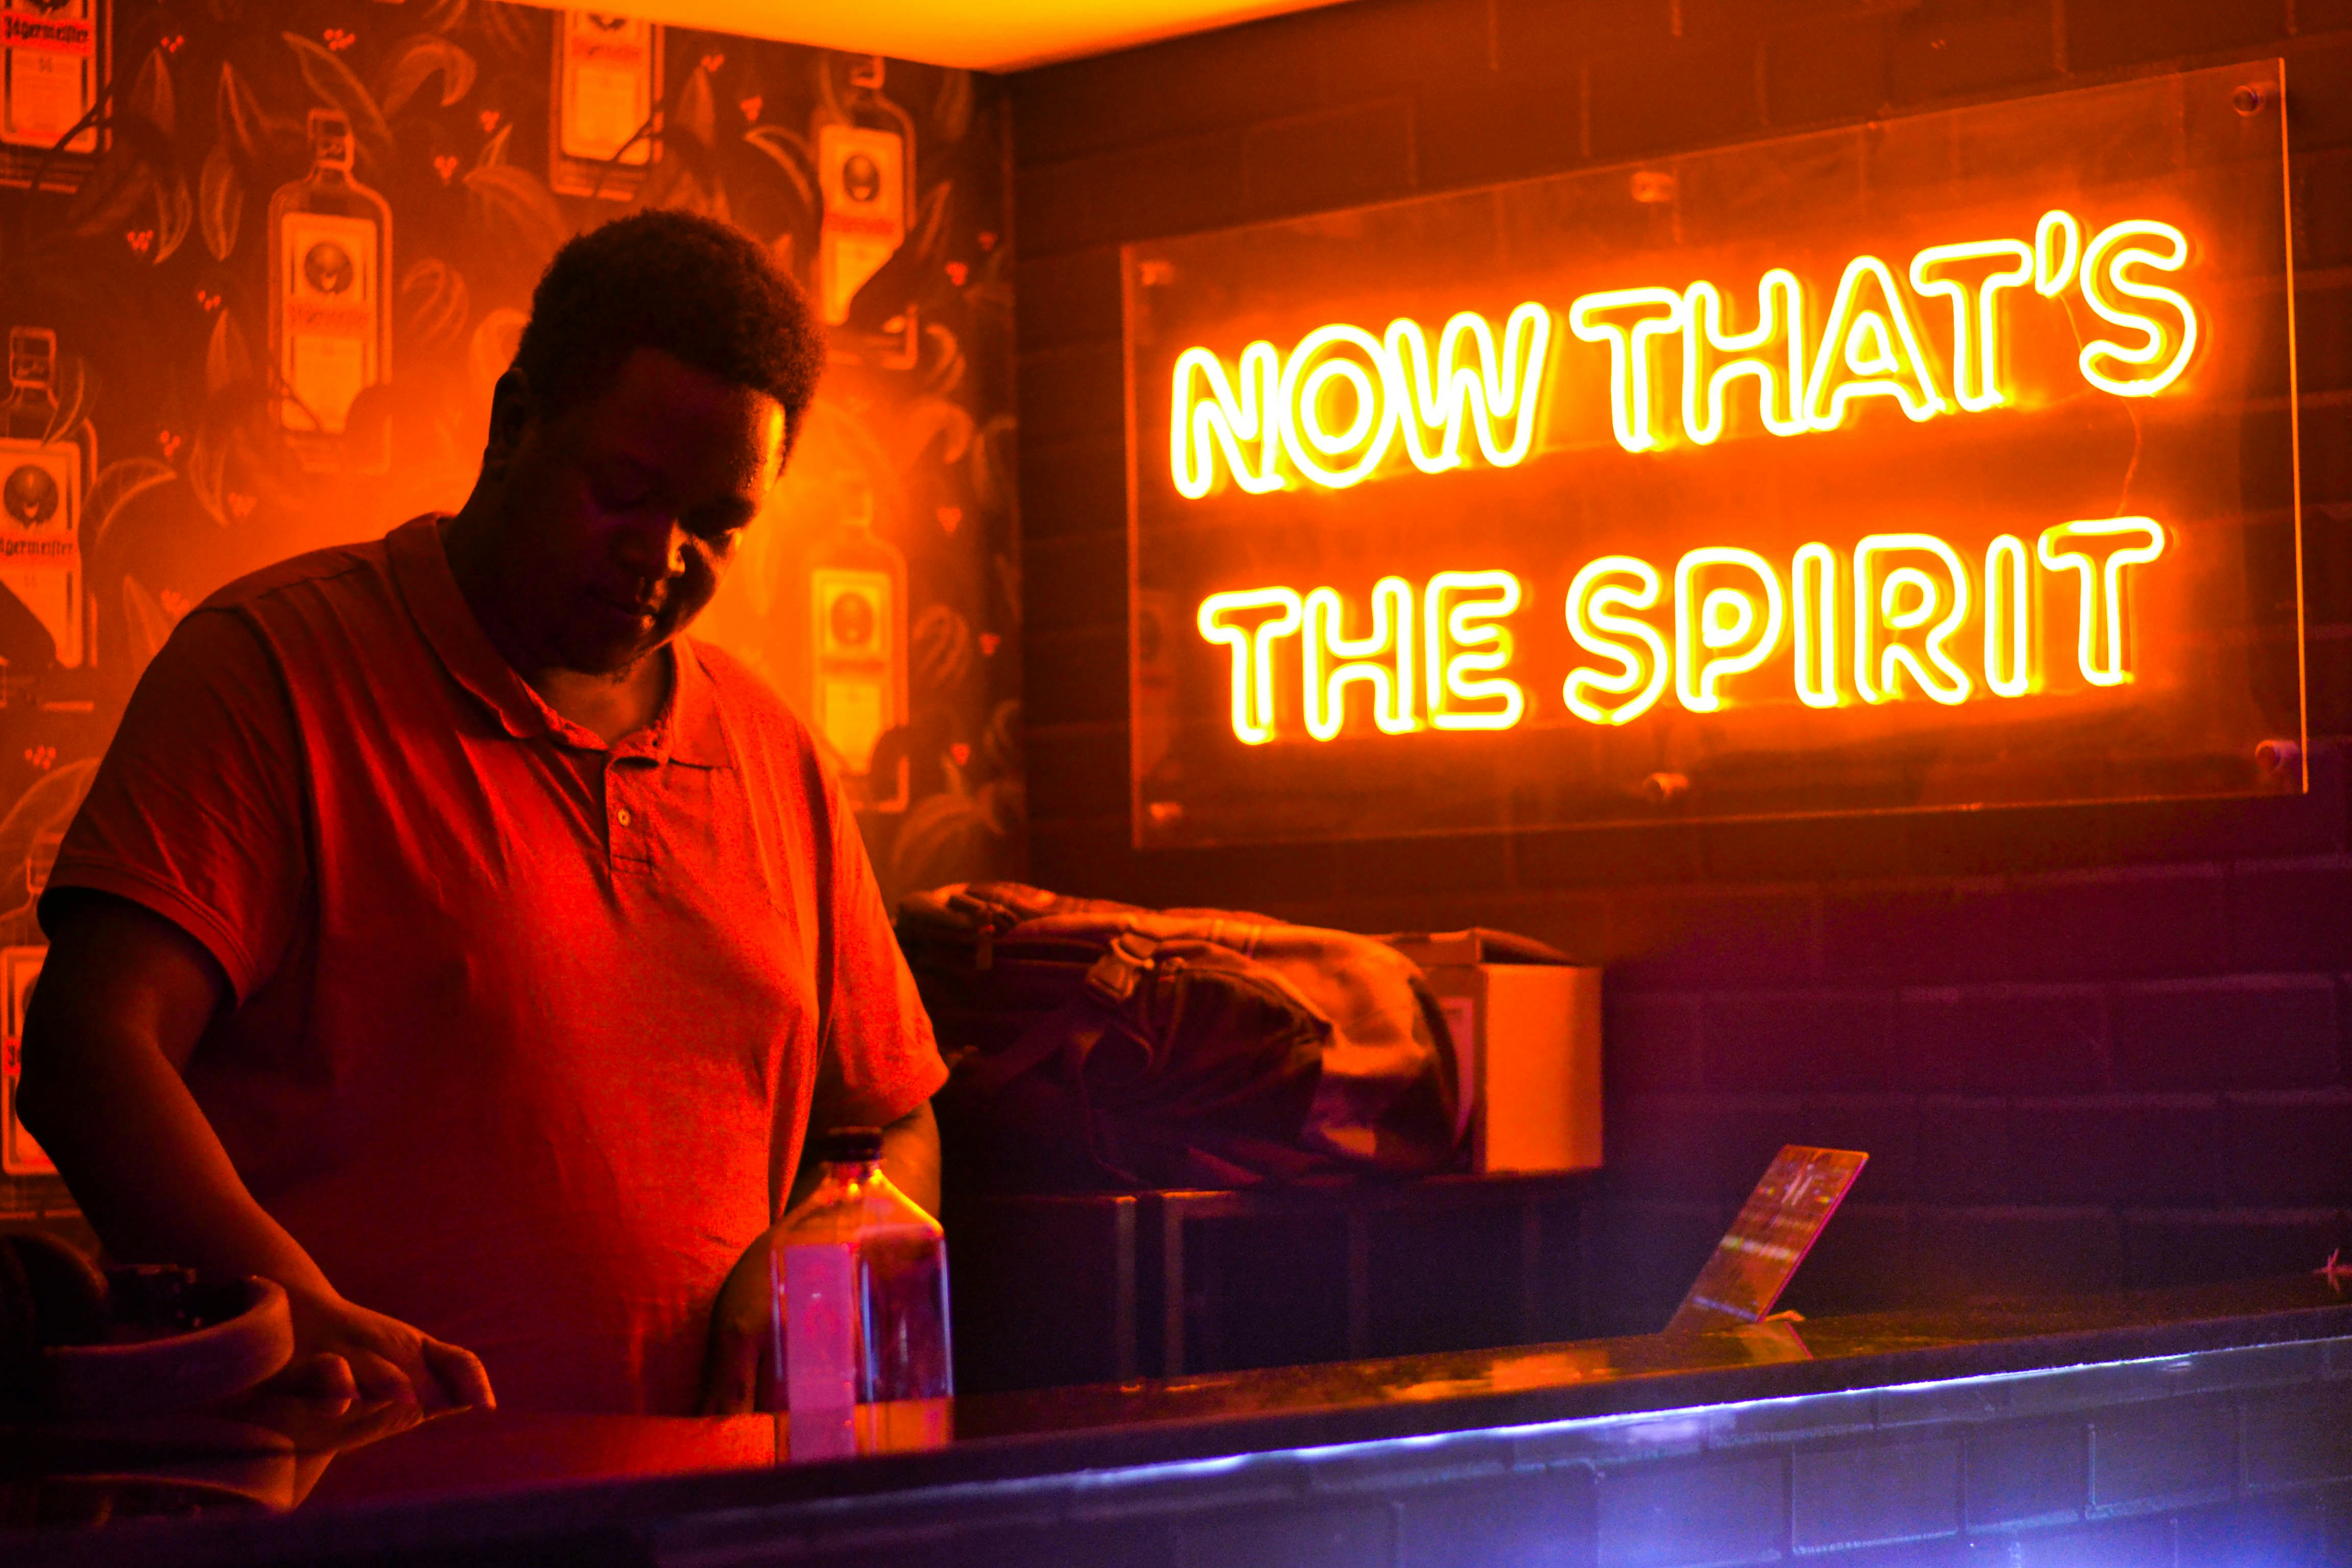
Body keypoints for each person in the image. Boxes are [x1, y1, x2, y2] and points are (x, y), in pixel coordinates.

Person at [15, 211, 945, 1416]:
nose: (661, 557)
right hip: (362, 1509)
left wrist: (812, 1262)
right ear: (516, 425)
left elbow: (893, 1124)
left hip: (704, 1523)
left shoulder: (779, 756)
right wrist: (296, 1310)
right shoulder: (274, 670)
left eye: (716, 526)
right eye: (624, 492)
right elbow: (90, 1052)